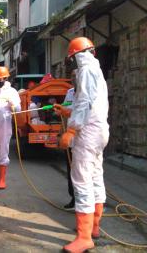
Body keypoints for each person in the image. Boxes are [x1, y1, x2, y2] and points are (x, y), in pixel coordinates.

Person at [54, 37, 109, 253]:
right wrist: (67, 112)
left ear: (76, 55)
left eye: (71, 58)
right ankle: (94, 227)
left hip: (87, 133)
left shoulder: (85, 71)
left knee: (81, 181)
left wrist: (70, 130)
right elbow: (89, 104)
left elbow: (85, 102)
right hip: (98, 131)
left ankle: (84, 238)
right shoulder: (98, 72)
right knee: (95, 177)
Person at [61, 71, 76, 211]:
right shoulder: (71, 92)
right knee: (71, 169)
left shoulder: (90, 92)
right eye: (72, 78)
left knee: (83, 173)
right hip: (71, 139)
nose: (74, 80)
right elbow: (66, 107)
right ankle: (73, 198)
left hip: (85, 140)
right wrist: (62, 109)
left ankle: (88, 204)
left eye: (76, 78)